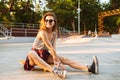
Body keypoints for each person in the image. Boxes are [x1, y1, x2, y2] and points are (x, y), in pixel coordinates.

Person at [23, 12, 99, 78]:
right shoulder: (42, 32)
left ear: (54, 22)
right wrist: (57, 62)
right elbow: (50, 47)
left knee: (64, 59)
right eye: (46, 20)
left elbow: (54, 48)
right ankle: (55, 71)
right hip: (34, 57)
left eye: (50, 20)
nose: (48, 22)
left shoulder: (54, 33)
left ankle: (89, 68)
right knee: (31, 53)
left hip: (45, 55)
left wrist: (58, 61)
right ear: (44, 22)